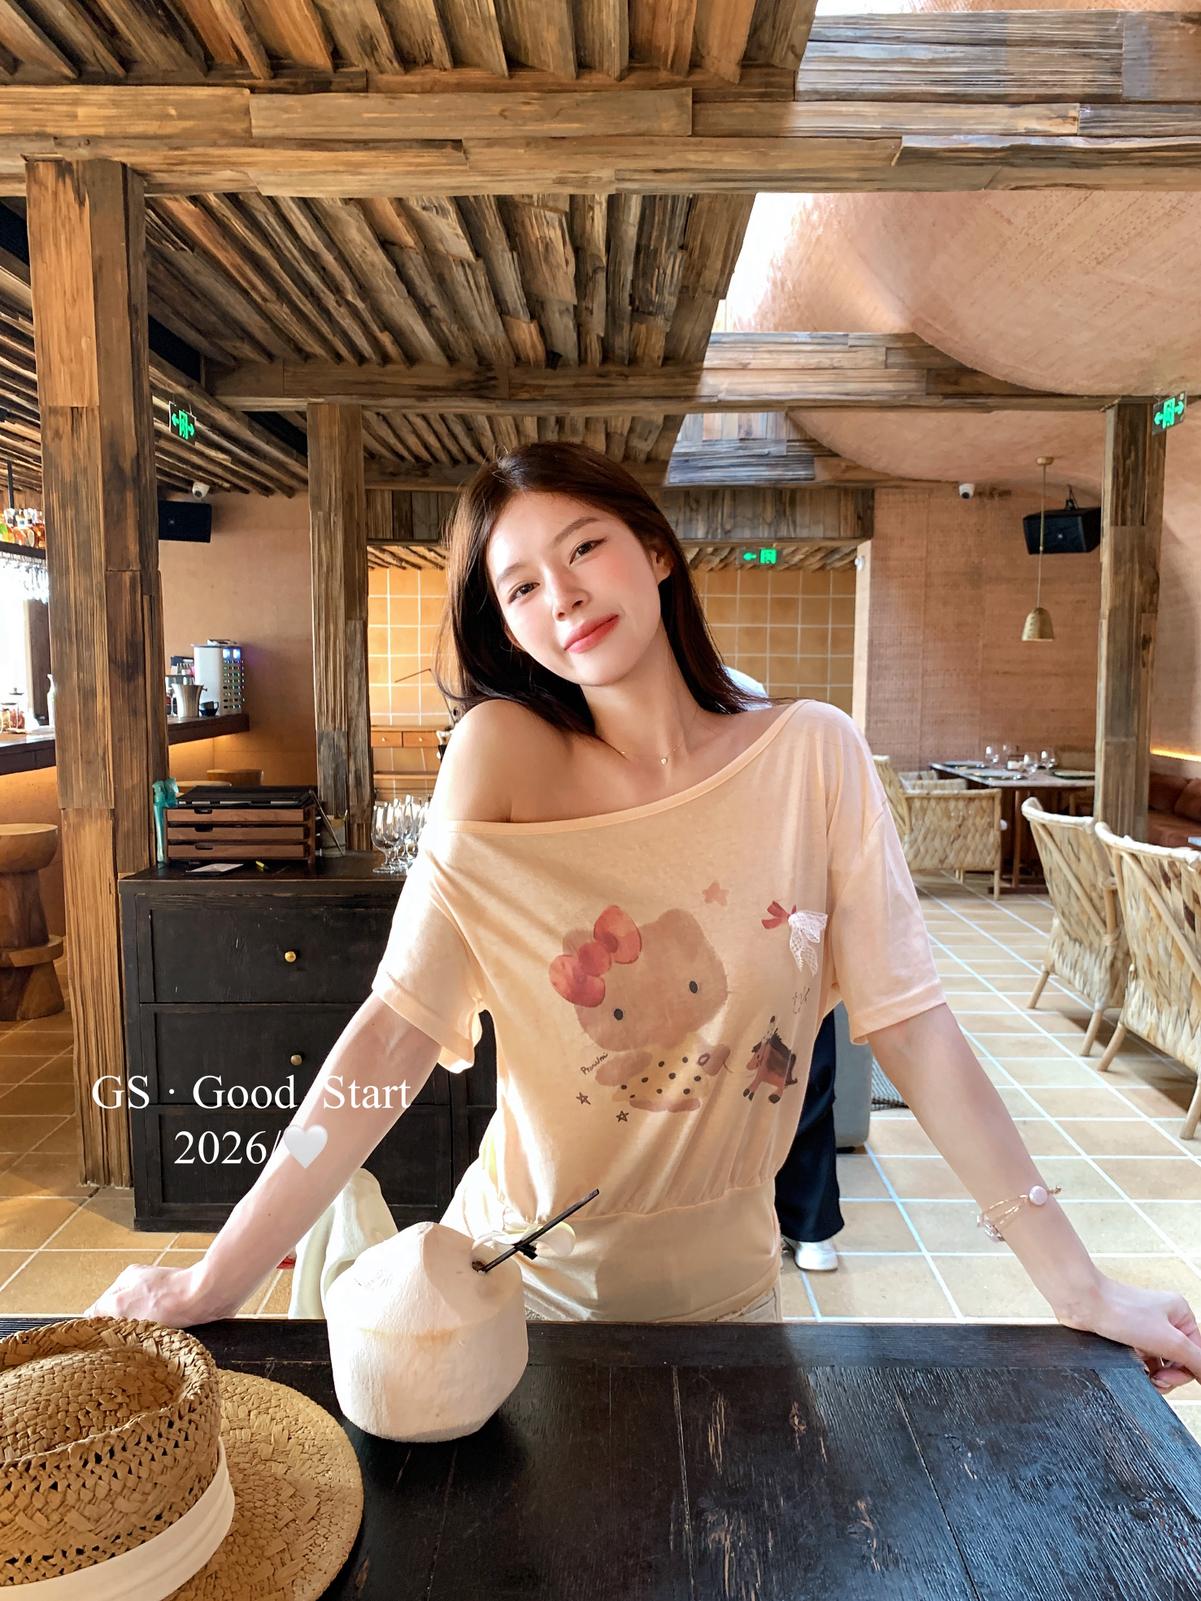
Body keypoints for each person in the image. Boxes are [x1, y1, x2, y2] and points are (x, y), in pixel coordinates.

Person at [89, 445, 1200, 1389]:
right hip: (507, 1299)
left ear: (655, 549)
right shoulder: (501, 755)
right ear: (507, 628)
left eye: (583, 547)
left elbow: (914, 1025)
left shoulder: (812, 754)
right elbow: (393, 1030)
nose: (562, 595)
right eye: (520, 586)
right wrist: (214, 1277)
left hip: (732, 1303)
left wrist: (1077, 1285)